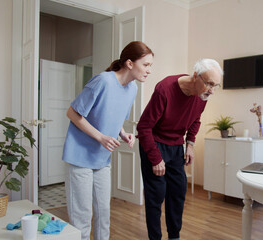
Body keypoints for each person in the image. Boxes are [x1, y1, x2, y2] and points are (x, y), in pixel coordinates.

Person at [62, 41, 154, 240]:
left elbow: (114, 116)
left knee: (104, 214)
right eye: (145, 65)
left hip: (102, 159)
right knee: (82, 218)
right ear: (130, 63)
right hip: (80, 157)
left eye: (150, 66)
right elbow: (73, 113)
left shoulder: (132, 89)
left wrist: (123, 133)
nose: (148, 71)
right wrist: (101, 137)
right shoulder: (103, 81)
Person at [137, 58, 223, 240]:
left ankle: (174, 237)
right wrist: (155, 158)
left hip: (176, 146)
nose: (212, 91)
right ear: (195, 76)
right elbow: (144, 127)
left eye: (216, 86)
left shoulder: (202, 96)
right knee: (156, 197)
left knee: (177, 193)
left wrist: (190, 144)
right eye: (209, 84)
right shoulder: (165, 89)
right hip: (154, 143)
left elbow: (195, 120)